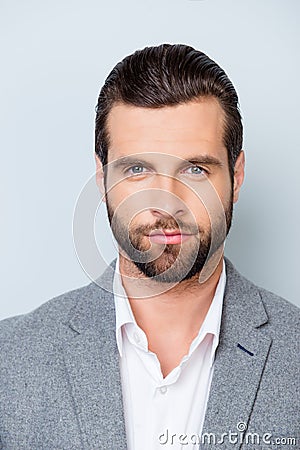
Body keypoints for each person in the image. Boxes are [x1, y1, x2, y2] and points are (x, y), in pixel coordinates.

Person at [0, 44, 299, 450]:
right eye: (137, 169)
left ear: (237, 175)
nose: (166, 201)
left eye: (195, 169)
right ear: (102, 177)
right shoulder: (11, 359)